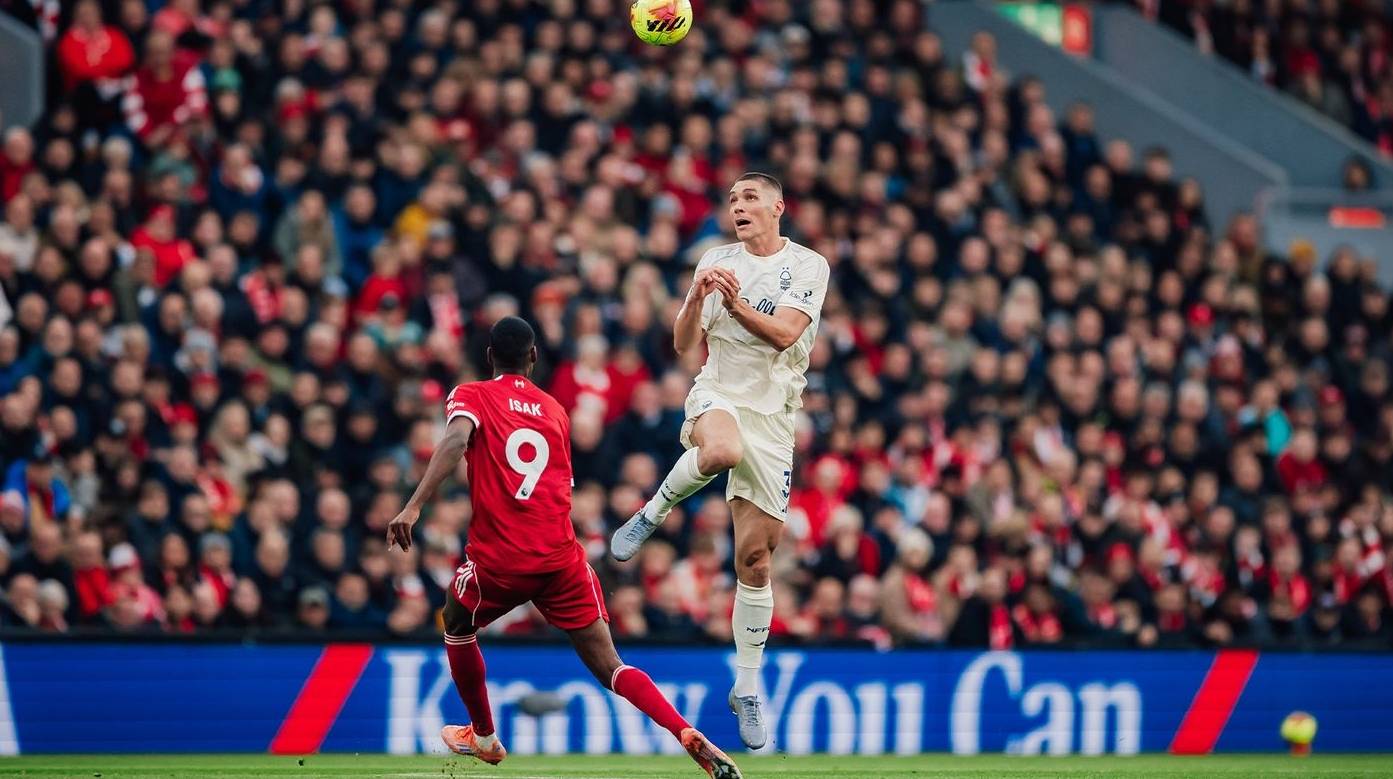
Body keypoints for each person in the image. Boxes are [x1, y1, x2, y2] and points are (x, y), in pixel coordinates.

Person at [387, 316, 740, 778]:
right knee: (612, 666)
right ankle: (682, 730)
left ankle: (484, 736)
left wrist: (413, 506)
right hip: (560, 557)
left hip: (502, 558)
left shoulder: (471, 394)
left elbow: (455, 439)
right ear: (534, 357)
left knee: (456, 622)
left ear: (489, 356)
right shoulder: (555, 409)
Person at [610, 172, 830, 749]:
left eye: (750, 197)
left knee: (755, 561)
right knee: (721, 450)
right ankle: (653, 512)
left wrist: (733, 301)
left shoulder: (808, 266)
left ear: (778, 207)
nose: (738, 205)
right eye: (732, 199)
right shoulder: (715, 260)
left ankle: (747, 686)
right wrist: (694, 298)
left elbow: (785, 334)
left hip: (775, 418)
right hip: (719, 393)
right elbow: (685, 344)